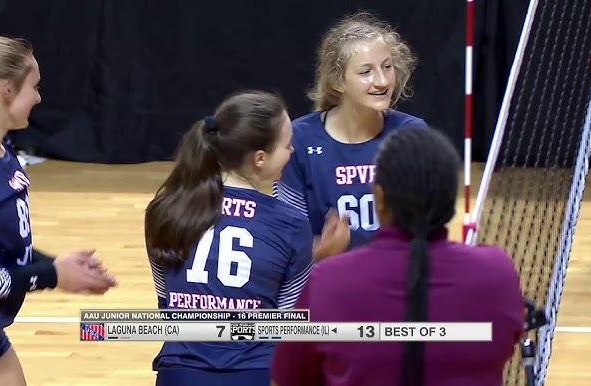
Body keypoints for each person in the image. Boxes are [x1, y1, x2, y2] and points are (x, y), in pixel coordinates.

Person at [270, 126, 525, 386]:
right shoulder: (498, 273)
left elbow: (288, 378)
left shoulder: (328, 281)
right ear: (450, 199)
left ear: (379, 198)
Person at [0, 35, 118, 386]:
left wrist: (55, 264)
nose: (38, 97)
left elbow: (1, 246)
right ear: (6, 90)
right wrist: (53, 276)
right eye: (34, 87)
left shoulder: (2, 152)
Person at [145, 90, 348, 385]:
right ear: (260, 158)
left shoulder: (164, 209)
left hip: (179, 371)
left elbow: (168, 304)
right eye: (288, 145)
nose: (292, 152)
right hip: (252, 372)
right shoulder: (290, 224)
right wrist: (320, 262)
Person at [273, 12, 427, 256]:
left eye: (387, 67)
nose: (382, 81)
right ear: (338, 82)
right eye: (366, 72)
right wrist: (321, 252)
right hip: (326, 279)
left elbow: (422, 231)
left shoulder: (412, 134)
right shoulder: (299, 140)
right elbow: (285, 244)